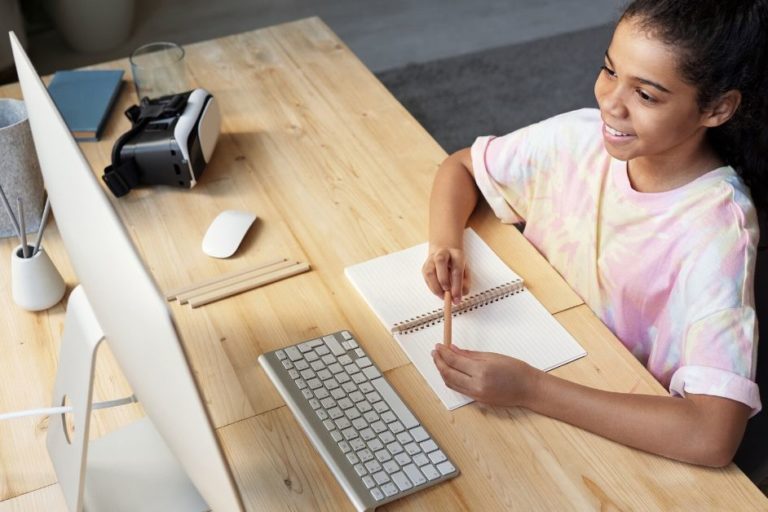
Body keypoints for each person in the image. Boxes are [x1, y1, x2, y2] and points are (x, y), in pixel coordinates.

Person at [422, 0, 768, 467]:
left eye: (646, 95)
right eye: (609, 71)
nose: (610, 102)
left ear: (718, 108)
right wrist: (446, 242)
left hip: (607, 422)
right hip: (538, 355)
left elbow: (710, 435)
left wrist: (531, 388)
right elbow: (461, 165)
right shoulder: (581, 137)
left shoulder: (718, 231)